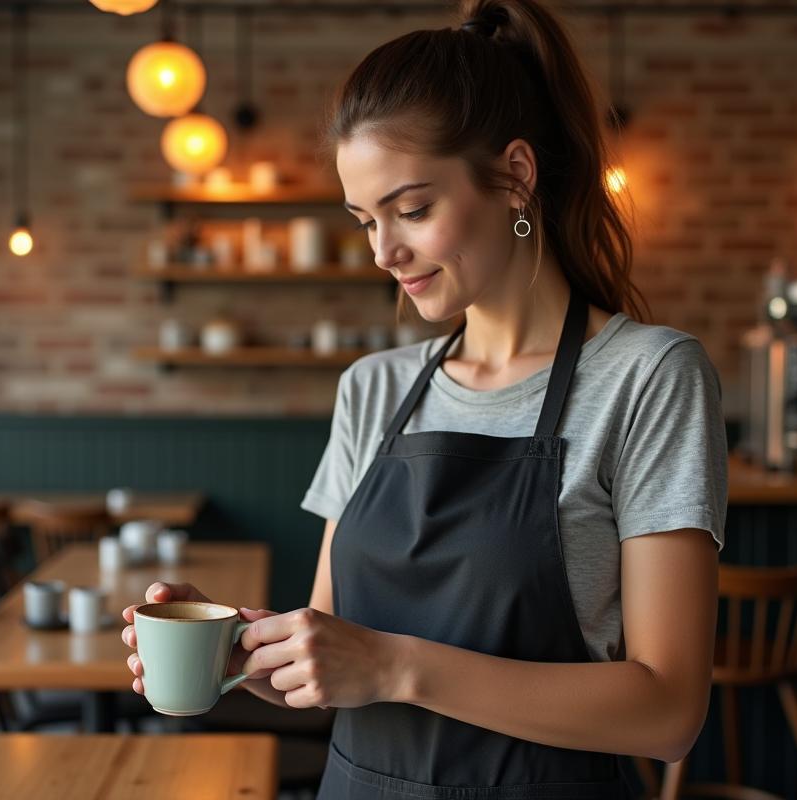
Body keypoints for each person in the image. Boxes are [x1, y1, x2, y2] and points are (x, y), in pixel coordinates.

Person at [123, 0, 727, 795]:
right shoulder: (374, 388)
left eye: (412, 210)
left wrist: (394, 666)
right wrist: (248, 654)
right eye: (364, 220)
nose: (384, 250)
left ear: (516, 174)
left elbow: (668, 711)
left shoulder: (650, 377)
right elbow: (336, 652)